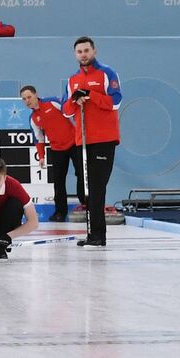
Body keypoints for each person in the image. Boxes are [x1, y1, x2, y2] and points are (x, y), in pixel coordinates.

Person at [63, 36, 122, 248]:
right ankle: (92, 234)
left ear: (94, 51)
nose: (83, 55)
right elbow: (65, 110)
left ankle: (99, 235)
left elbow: (116, 101)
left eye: (87, 50)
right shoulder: (72, 80)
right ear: (75, 54)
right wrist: (75, 99)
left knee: (97, 188)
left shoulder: (107, 73)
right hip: (82, 140)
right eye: (79, 51)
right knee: (86, 189)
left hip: (103, 138)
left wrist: (90, 94)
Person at [20, 85, 82, 223]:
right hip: (57, 149)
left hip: (74, 144)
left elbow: (70, 111)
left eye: (29, 97)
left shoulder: (53, 102)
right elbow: (39, 139)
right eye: (24, 99)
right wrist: (41, 156)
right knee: (58, 182)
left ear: (36, 95)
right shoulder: (33, 118)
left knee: (81, 174)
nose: (27, 101)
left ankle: (86, 204)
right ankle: (60, 212)